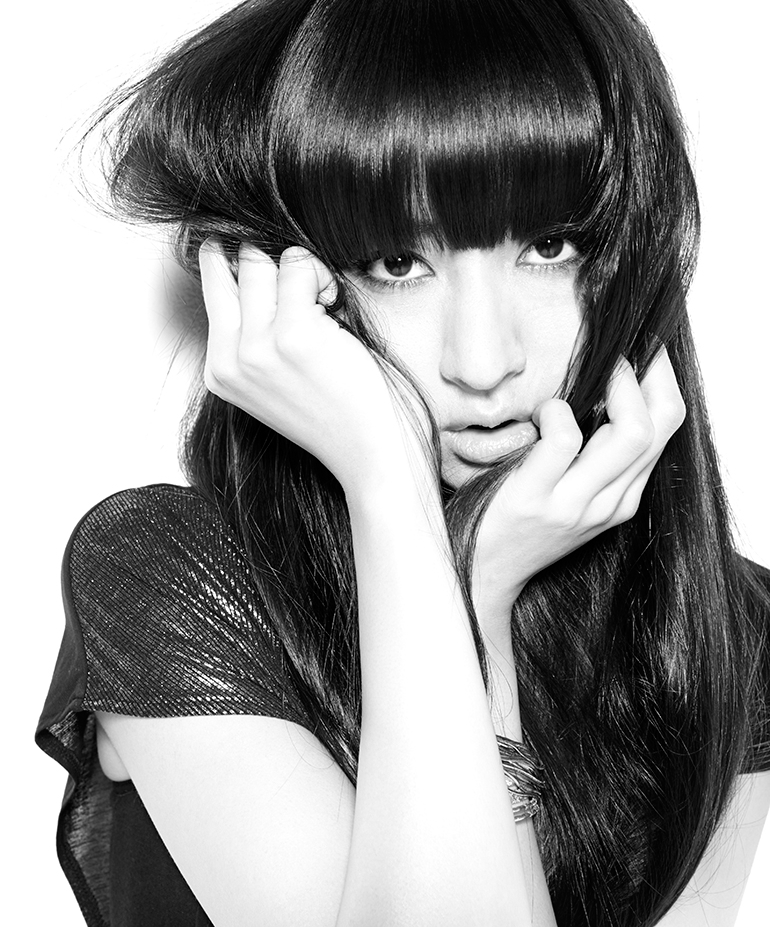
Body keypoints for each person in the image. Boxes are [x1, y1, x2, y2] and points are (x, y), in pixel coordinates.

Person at [36, 0, 770, 925]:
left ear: (632, 261)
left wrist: (480, 593)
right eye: (396, 262)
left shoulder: (727, 630)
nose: (483, 360)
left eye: (548, 248)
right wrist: (397, 496)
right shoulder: (170, 577)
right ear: (287, 283)